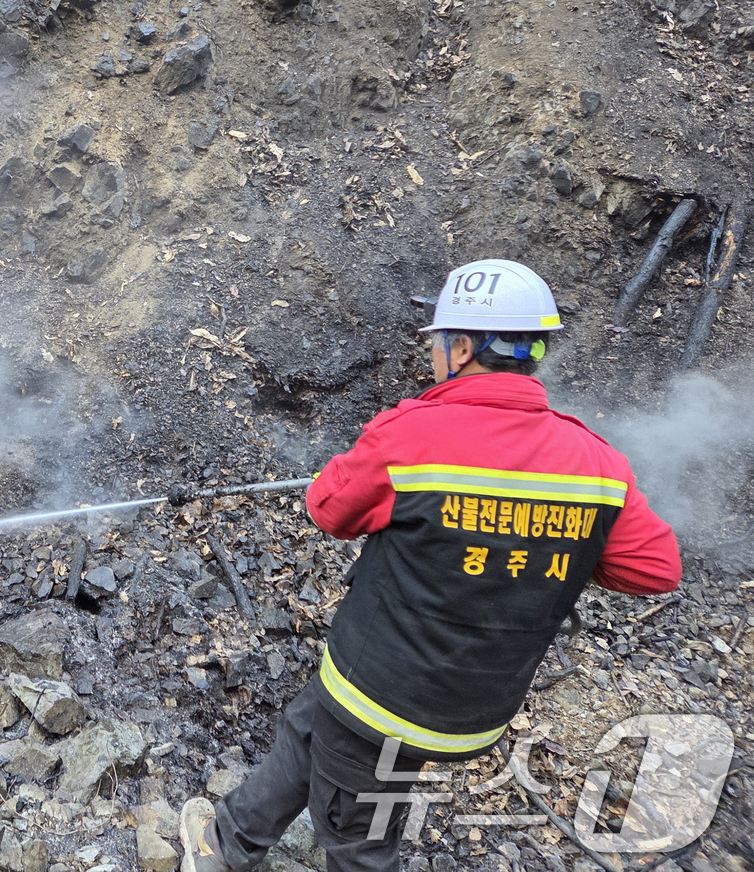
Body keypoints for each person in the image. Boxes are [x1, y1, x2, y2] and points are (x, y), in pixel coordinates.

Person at [180, 258, 682, 872]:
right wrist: (551, 546)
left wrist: (339, 475)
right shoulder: (599, 464)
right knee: (310, 725)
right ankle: (226, 845)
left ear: (465, 345)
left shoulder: (410, 437)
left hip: (385, 697)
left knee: (358, 836)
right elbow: (656, 568)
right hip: (471, 704)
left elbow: (329, 510)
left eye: (441, 341)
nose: (433, 355)